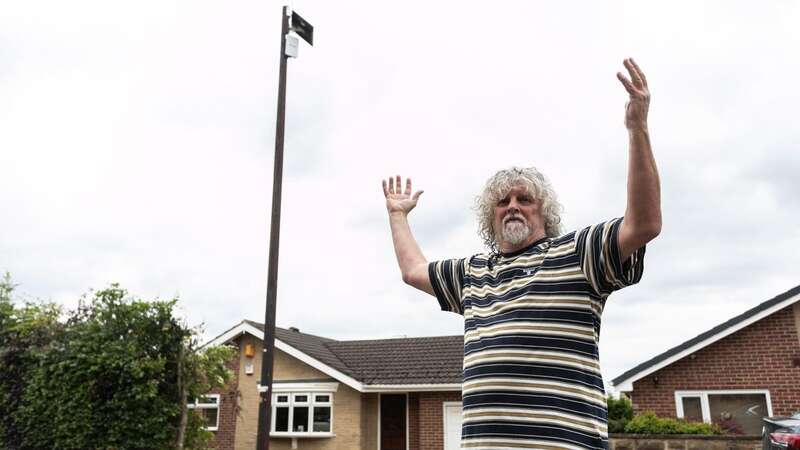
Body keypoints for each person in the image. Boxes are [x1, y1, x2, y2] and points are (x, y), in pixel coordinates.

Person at [381, 58, 661, 450]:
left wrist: (637, 129)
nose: (512, 205)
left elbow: (644, 224)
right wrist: (397, 216)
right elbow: (413, 271)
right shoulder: (473, 273)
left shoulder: (578, 254)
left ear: (543, 211)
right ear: (490, 215)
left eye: (524, 199)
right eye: (502, 200)